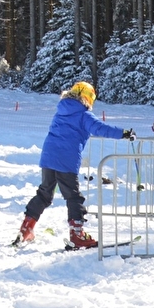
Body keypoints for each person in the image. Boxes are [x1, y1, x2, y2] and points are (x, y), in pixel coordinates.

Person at [16, 81, 135, 249]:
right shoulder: (83, 114)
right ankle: (78, 235)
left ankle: (26, 229)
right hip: (66, 159)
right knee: (73, 197)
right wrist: (123, 133)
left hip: (49, 157)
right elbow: (100, 128)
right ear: (87, 98)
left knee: (44, 194)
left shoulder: (61, 110)